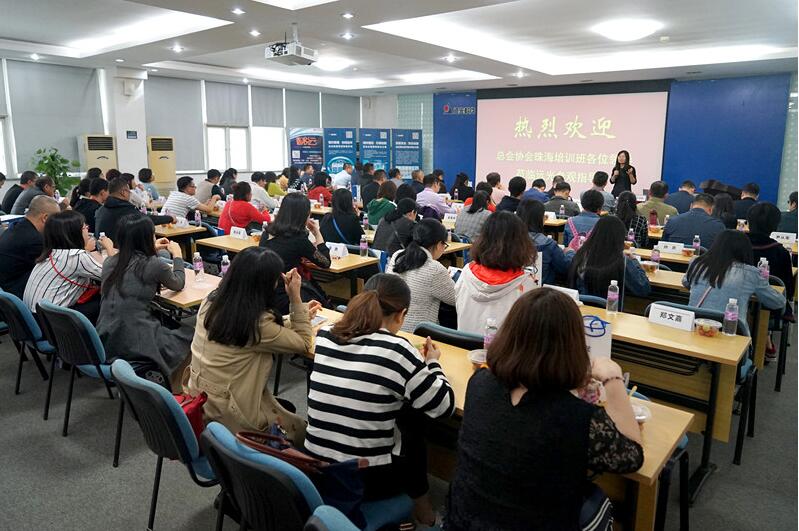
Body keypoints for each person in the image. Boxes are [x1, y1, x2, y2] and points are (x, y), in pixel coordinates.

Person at [446, 289, 643, 531]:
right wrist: (613, 378)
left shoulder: (479, 382)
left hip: (460, 522)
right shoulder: (576, 416)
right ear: (573, 346)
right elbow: (633, 456)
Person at [306, 273, 455, 527]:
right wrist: (433, 363)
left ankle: (420, 506)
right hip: (362, 478)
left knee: (398, 409)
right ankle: (422, 505)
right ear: (401, 314)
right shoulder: (397, 350)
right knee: (412, 421)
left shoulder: (326, 335)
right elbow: (444, 405)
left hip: (315, 467)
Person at [186, 247, 316, 439]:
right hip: (234, 416)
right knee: (303, 435)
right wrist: (295, 299)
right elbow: (303, 343)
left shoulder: (212, 302)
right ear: (264, 286)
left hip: (201, 402)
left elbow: (250, 331)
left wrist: (297, 317)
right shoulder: (256, 324)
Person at [97, 215, 192, 389]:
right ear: (146, 238)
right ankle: (178, 388)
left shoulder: (110, 262)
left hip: (106, 337)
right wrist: (177, 255)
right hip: (133, 339)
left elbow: (131, 263)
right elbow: (178, 283)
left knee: (170, 324)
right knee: (189, 335)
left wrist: (152, 248)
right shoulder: (154, 265)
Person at [24, 210, 115, 323]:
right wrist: (109, 248)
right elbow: (114, 275)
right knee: (111, 299)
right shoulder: (76, 257)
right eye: (84, 227)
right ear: (74, 233)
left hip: (34, 317)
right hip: (52, 322)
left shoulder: (52, 252)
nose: (88, 229)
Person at [456, 211, 538, 334]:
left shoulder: (466, 273)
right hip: (505, 347)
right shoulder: (526, 284)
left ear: (483, 239)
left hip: (464, 345)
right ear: (521, 243)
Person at [683, 230, 785, 323]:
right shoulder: (750, 273)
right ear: (745, 250)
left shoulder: (697, 263)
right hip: (730, 328)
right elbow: (777, 302)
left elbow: (686, 282)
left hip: (693, 323)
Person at [259, 193, 331, 313]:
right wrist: (317, 233)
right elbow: (325, 262)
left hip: (264, 293)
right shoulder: (298, 239)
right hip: (287, 295)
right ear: (304, 215)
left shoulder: (267, 232)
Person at [387, 219, 457, 332]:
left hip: (392, 327)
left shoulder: (397, 256)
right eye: (445, 245)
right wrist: (447, 279)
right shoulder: (435, 269)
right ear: (439, 244)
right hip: (420, 333)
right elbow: (457, 299)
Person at [568, 216, 651, 302]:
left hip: (580, 307)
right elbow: (643, 288)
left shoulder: (581, 255)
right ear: (619, 238)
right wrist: (634, 261)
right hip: (610, 309)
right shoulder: (622, 261)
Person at [0, 196, 60, 298]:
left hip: (6, 288)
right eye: (56, 219)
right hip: (17, 293)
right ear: (45, 218)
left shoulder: (16, 227)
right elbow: (60, 263)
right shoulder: (34, 240)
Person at [747, 202, 796, 329]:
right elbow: (788, 289)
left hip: (736, 300)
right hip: (770, 307)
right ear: (775, 226)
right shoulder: (780, 252)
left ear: (748, 221)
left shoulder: (735, 245)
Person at [95, 178, 174, 241]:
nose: (130, 194)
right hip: (120, 251)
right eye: (129, 191)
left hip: (105, 250)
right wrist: (170, 218)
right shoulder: (124, 208)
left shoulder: (102, 209)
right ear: (123, 192)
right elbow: (146, 219)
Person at [517, 198, 571, 286]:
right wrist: (570, 253)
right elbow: (564, 268)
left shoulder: (508, 240)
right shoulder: (548, 244)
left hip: (514, 289)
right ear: (539, 218)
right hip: (541, 290)